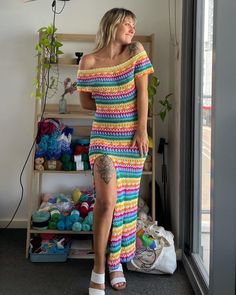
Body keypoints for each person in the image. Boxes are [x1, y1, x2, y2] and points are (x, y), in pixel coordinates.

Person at [77, 7, 154, 295]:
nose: (133, 28)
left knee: (125, 205)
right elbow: (86, 104)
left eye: (135, 24)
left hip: (131, 142)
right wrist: (113, 109)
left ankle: (115, 262)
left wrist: (141, 129)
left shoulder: (135, 51)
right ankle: (98, 267)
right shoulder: (88, 61)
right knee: (107, 203)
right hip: (104, 141)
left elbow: (143, 94)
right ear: (112, 24)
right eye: (127, 23)